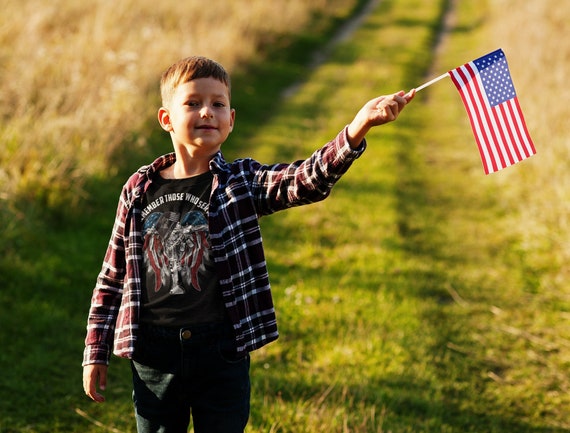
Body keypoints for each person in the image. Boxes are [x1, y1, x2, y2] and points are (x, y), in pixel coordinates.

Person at [82, 55, 414, 433]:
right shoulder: (138, 189)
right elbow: (112, 275)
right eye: (192, 103)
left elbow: (305, 180)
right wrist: (96, 351)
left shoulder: (240, 182)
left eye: (218, 104)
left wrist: (358, 128)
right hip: (153, 355)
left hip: (221, 350)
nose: (207, 111)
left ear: (231, 119)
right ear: (166, 119)